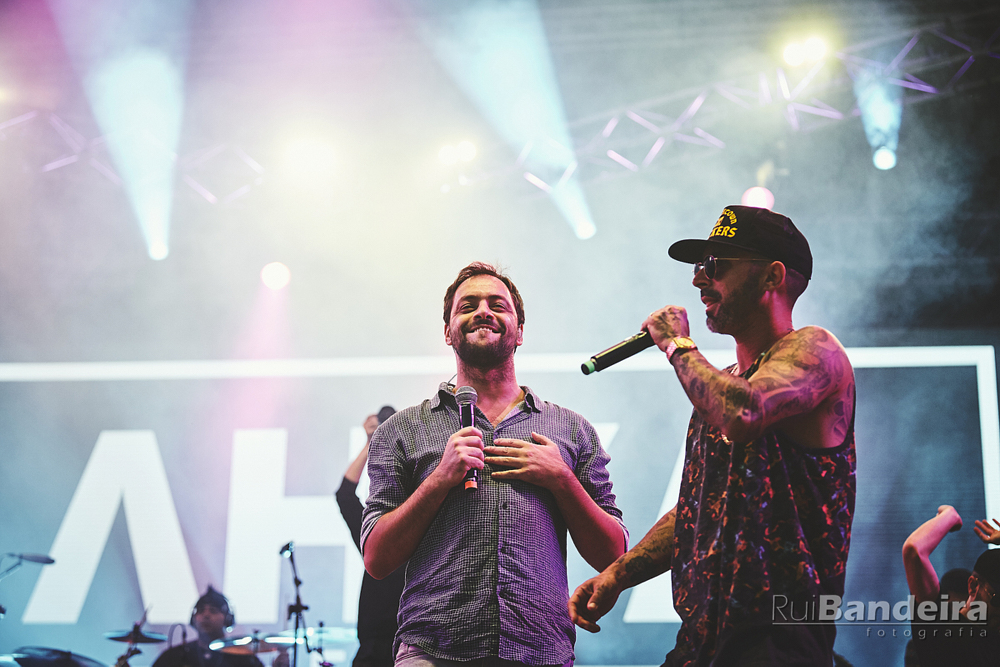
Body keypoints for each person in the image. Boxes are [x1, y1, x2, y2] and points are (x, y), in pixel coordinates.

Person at [569, 205, 857, 666]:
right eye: (699, 267)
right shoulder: (717, 387)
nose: (699, 280)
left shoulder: (816, 351)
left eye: (716, 266)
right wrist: (616, 576)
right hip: (700, 638)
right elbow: (699, 507)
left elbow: (747, 412)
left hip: (776, 639)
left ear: (772, 276)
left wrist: (678, 345)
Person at [361, 261, 628, 667]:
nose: (483, 311)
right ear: (448, 331)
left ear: (519, 331)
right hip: (432, 651)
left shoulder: (572, 430)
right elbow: (377, 560)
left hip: (540, 651)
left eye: (497, 305)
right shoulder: (403, 430)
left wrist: (562, 480)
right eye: (467, 305)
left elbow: (614, 554)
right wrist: (439, 480)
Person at [336, 406, 405, 667]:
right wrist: (371, 443)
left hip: (412, 648)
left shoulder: (426, 527)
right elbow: (345, 494)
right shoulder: (374, 532)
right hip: (374, 650)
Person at [901, 505, 1000, 666]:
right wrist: (949, 516)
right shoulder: (942, 631)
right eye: (997, 598)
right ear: (973, 586)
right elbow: (914, 551)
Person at [152, 587, 267, 667]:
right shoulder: (175, 656)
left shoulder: (243, 658)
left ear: (227, 619)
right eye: (201, 611)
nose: (206, 615)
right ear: (193, 619)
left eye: (213, 611)